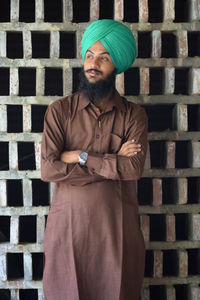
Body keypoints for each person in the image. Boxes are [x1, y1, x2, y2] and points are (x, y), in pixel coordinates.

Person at [41, 19, 148, 300]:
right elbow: (49, 169)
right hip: (69, 234)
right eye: (89, 55)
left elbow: (133, 169)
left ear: (117, 66)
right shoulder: (59, 112)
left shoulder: (133, 115)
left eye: (104, 57)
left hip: (117, 235)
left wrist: (79, 156)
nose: (93, 63)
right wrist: (113, 162)